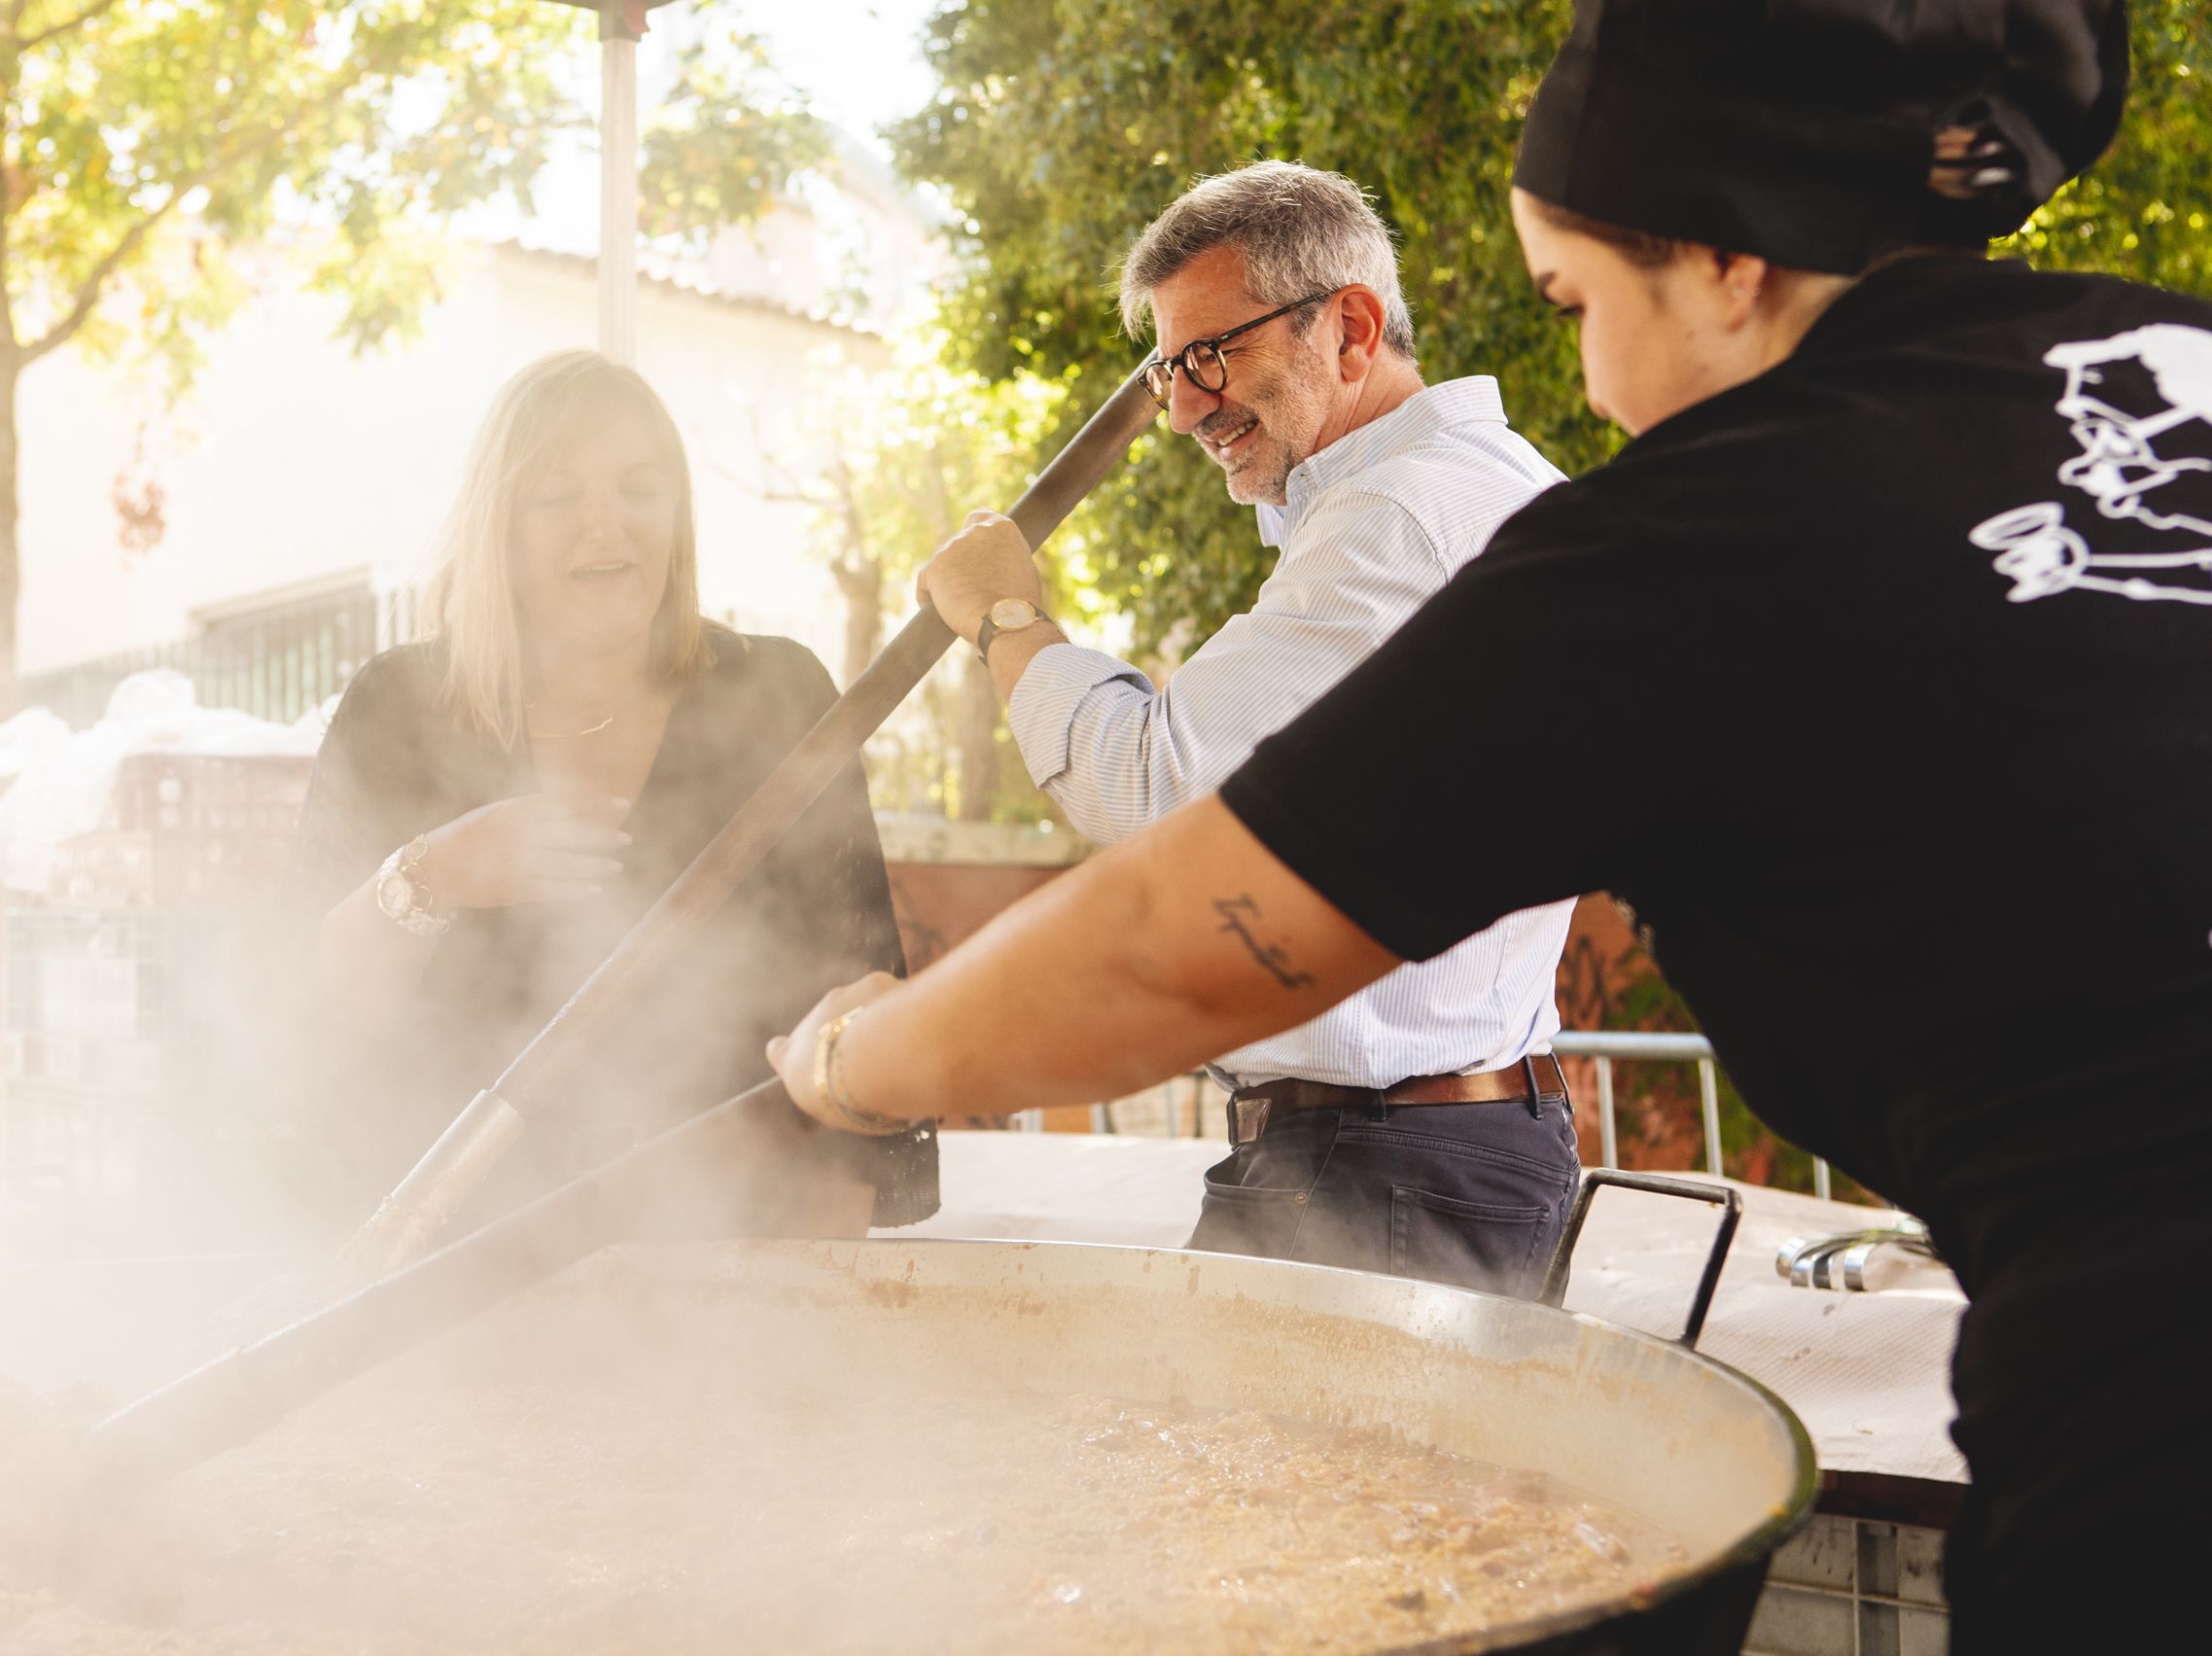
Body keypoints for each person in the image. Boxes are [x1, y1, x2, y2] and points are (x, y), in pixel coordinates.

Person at [767, 1, 2206, 1642]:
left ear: (1730, 259)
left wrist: (853, 1063)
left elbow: (1190, 934)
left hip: (2155, 1404)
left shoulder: (1688, 528)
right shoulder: (2168, 356)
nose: (1584, 375)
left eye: (1575, 298)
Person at [914, 160, 1577, 1295]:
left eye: (1210, 355)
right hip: (1412, 1156)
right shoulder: (1481, 487)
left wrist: (1003, 614)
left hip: (1379, 1169)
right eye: (1169, 368)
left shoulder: (1396, 519)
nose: (1179, 409)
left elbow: (1154, 790)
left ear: (1350, 329)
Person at [287, 349, 933, 1229]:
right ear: (499, 526)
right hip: (451, 1249)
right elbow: (310, 1011)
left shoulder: (775, 693)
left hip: (726, 1241)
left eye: (640, 488)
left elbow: (851, 1011)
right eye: (558, 498)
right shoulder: (401, 706)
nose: (608, 527)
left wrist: (818, 1304)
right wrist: (438, 870)